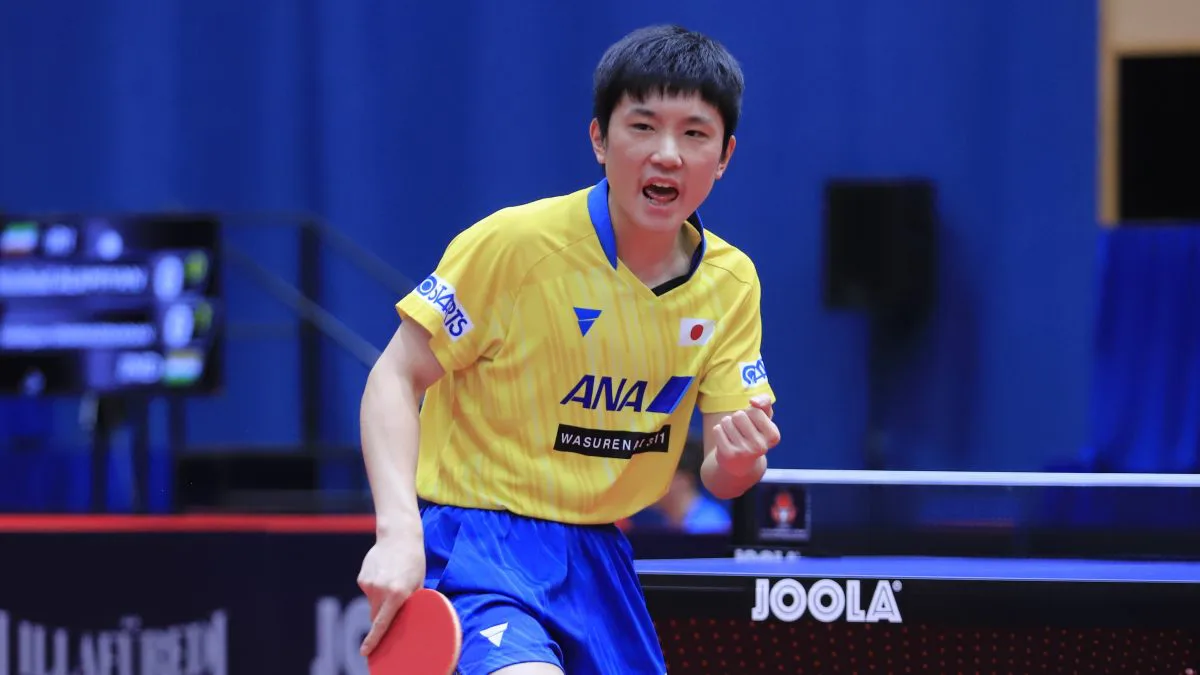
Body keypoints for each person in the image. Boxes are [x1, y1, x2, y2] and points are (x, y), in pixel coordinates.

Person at [356, 24, 780, 675]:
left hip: (600, 558)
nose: (667, 154)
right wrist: (397, 530)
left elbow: (725, 476)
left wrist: (742, 459)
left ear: (724, 155)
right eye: (643, 127)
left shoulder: (731, 283)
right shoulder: (513, 246)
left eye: (694, 134)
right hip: (479, 541)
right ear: (599, 139)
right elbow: (394, 375)